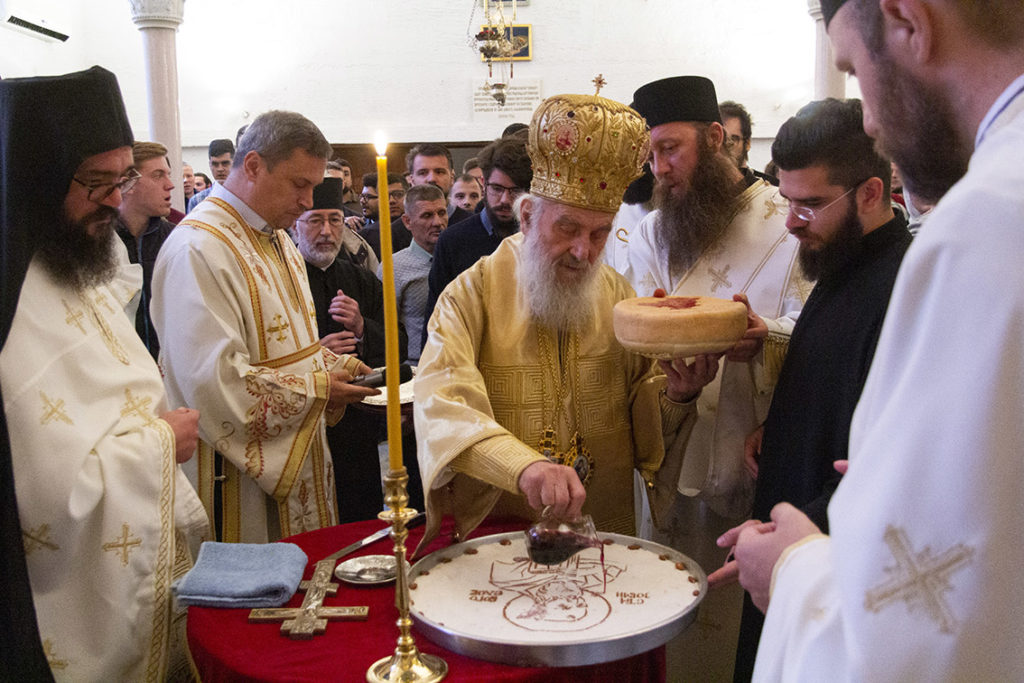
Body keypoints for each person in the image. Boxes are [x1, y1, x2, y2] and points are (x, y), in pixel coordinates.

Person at [723, 1, 1024, 679]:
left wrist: (796, 564)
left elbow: (923, 620)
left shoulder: (985, 227)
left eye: (855, 71)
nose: (870, 122)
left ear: (907, 20)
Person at [414, 91, 705, 551]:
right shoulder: (471, 295)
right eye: (567, 228)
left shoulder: (616, 294)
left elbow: (647, 430)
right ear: (528, 216)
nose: (583, 251)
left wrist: (678, 393)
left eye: (599, 233)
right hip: (506, 535)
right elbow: (443, 407)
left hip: (602, 528)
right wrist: (523, 467)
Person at [0, 65, 207, 681]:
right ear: (34, 179)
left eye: (122, 179)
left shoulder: (75, 261)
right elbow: (38, 496)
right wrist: (162, 443)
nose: (116, 200)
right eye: (96, 183)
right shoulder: (14, 304)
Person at [712, 97, 911, 682]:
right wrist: (778, 428)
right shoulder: (839, 258)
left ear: (871, 193)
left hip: (826, 556)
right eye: (787, 201)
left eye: (812, 204)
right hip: (791, 516)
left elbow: (890, 455)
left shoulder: (905, 284)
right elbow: (833, 376)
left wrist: (789, 537)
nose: (793, 221)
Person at [627, 75, 807, 681]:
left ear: (715, 139)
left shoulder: (788, 221)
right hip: (673, 449)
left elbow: (819, 323)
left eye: (670, 149)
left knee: (740, 635)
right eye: (649, 156)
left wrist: (768, 338)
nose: (660, 169)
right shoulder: (654, 230)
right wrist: (670, 380)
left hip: (752, 451)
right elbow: (641, 329)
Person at [152, 110, 379, 543]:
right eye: (299, 185)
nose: (308, 203)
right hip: (236, 482)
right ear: (253, 166)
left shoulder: (276, 239)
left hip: (299, 462)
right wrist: (318, 390)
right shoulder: (199, 248)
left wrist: (343, 367)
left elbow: (292, 349)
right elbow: (212, 381)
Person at [294, 176, 415, 521]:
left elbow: (398, 342)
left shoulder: (360, 278)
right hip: (311, 422)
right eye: (315, 221)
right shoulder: (285, 281)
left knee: (360, 511)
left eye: (334, 220)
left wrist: (363, 327)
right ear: (296, 225)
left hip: (358, 424)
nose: (327, 231)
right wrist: (318, 353)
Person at [423, 134, 533, 349]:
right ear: (483, 183)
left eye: (516, 192)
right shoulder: (454, 240)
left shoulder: (539, 242)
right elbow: (436, 318)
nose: (504, 201)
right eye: (497, 189)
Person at [115, 140, 176, 358]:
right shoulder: (100, 243)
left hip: (169, 367)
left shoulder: (176, 239)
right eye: (158, 175)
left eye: (168, 174)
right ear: (127, 183)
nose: (170, 184)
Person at [381, 183, 448, 362]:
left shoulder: (459, 257)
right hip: (415, 365)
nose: (438, 222)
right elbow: (385, 326)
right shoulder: (394, 266)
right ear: (407, 221)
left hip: (458, 362)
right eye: (427, 215)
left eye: (442, 213)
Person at [406, 143, 473, 225]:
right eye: (423, 173)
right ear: (412, 180)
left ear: (452, 178)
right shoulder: (395, 232)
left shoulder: (472, 225)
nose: (432, 179)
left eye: (439, 172)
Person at [719, 100, 778, 185]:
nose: (724, 146)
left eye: (733, 140)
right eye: (718, 139)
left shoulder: (772, 190)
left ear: (747, 144)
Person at [357, 172, 410, 259]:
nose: (391, 200)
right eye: (385, 196)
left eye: (398, 195)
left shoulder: (420, 226)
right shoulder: (367, 233)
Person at [187, 138, 233, 211]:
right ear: (210, 165)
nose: (220, 169)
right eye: (215, 164)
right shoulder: (197, 200)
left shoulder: (246, 197)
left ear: (235, 163)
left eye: (225, 163)